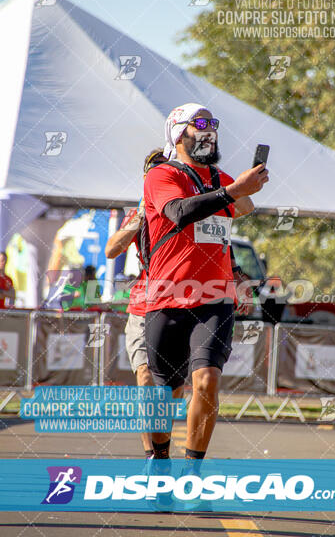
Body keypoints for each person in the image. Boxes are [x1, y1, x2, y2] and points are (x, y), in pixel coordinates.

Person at [143, 103, 268, 462]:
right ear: (178, 134)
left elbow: (234, 217)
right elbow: (179, 212)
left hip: (214, 297)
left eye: (213, 124)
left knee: (207, 379)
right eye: (200, 124)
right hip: (168, 295)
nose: (210, 130)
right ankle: (160, 458)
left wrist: (237, 274)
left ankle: (193, 472)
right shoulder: (161, 175)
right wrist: (232, 193)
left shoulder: (219, 178)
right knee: (166, 392)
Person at [105, 148, 167, 459]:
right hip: (145, 303)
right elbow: (111, 250)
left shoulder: (184, 208)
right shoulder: (141, 212)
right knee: (144, 376)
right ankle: (151, 455)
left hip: (182, 304)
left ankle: (165, 450)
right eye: (152, 172)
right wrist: (141, 214)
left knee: (170, 388)